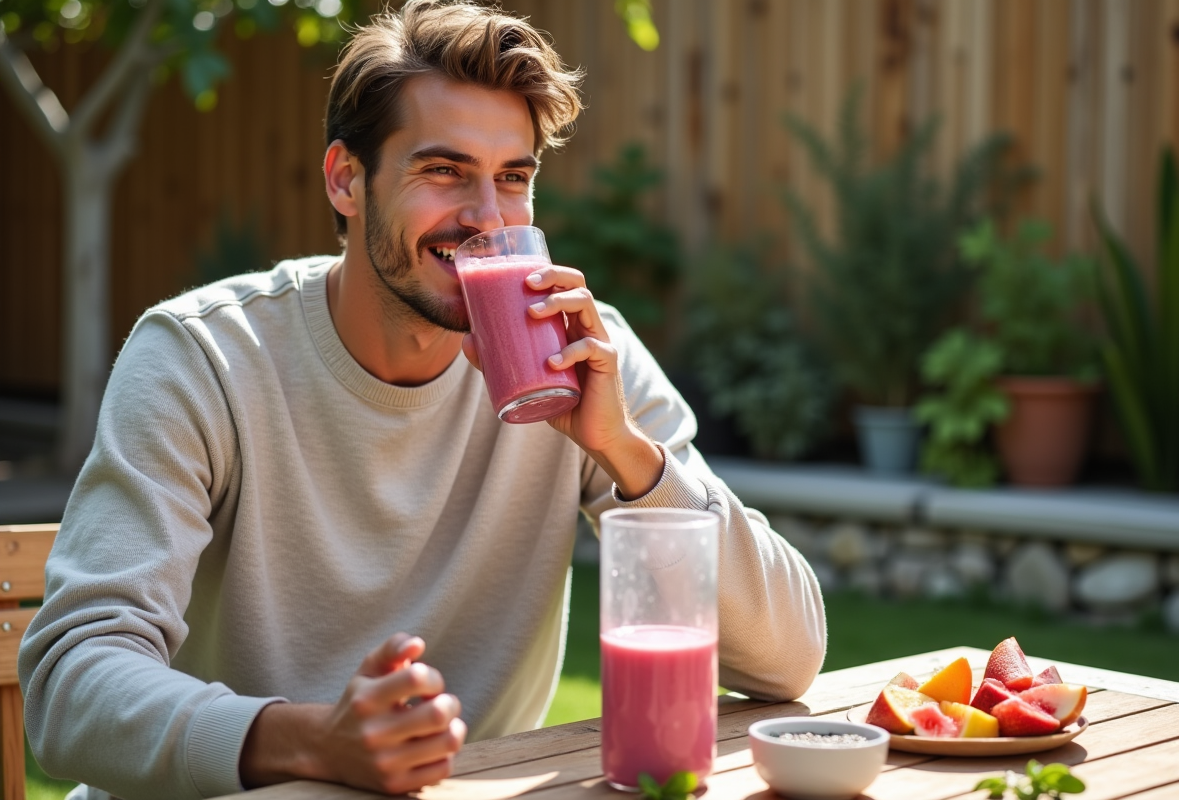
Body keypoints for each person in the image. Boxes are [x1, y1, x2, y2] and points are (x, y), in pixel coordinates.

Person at [19, 2, 827, 798]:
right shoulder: (203, 359)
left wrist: (626, 452)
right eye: (444, 171)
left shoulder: (580, 356)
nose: (486, 218)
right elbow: (71, 687)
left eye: (513, 179)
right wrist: (311, 743)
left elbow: (788, 660)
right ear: (346, 180)